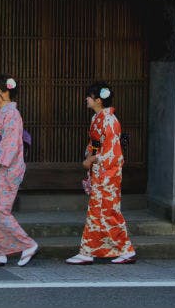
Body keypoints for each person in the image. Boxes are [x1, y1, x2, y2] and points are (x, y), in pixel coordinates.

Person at [66, 82, 136, 265]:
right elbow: (94, 144)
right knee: (97, 211)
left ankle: (125, 249)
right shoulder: (97, 118)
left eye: (89, 96)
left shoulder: (110, 121)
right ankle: (89, 250)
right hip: (99, 171)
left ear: (98, 100)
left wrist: (91, 160)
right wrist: (89, 156)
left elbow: (113, 151)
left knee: (109, 211)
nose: (86, 99)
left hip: (109, 172)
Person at [0, 74, 38, 267]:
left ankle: (27, 244)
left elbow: (8, 145)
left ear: (5, 92)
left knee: (0, 210)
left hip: (7, 168)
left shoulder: (12, 114)